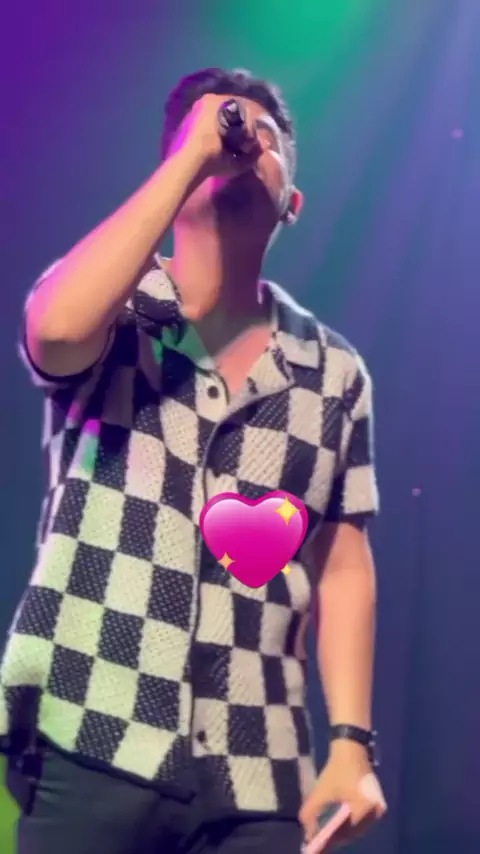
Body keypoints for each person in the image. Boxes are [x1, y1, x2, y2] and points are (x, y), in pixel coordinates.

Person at [0, 67, 386, 853]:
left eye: (266, 140)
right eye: (223, 130)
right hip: (89, 742)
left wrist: (351, 742)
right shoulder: (113, 309)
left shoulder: (334, 371)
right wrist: (189, 159)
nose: (242, 144)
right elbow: (55, 330)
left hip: (258, 772)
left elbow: (342, 562)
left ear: (293, 204)